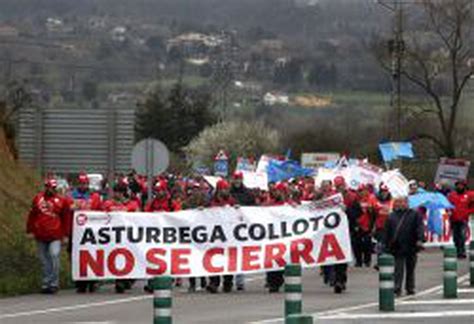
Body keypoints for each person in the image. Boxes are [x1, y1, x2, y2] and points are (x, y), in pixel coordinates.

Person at [27, 178, 71, 294]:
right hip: (40, 234)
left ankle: (54, 284)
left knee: (54, 255)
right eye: (48, 187)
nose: (50, 189)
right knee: (44, 260)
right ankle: (45, 283)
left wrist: (66, 235)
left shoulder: (62, 201)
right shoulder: (38, 198)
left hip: (55, 235)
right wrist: (29, 230)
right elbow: (32, 215)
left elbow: (66, 219)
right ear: (45, 187)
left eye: (52, 188)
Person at [102, 178, 140, 293]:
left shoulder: (132, 204)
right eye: (115, 192)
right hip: (113, 236)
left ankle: (128, 279)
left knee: (129, 258)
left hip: (128, 236)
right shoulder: (108, 204)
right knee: (117, 258)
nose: (115, 194)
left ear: (123, 192)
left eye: (118, 192)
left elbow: (140, 218)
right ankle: (120, 281)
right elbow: (101, 217)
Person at [384, 196, 425, 297]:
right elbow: (387, 232)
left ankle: (410, 287)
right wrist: (386, 245)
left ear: (407, 203)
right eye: (399, 202)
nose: (401, 204)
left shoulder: (415, 214)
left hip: (411, 245)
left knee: (410, 268)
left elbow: (420, 227)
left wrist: (420, 239)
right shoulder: (391, 216)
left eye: (403, 202)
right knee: (398, 269)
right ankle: (397, 288)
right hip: (397, 246)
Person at [70, 173, 102, 293]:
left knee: (92, 256)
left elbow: (100, 212)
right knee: (77, 257)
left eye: (85, 183)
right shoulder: (71, 196)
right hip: (76, 232)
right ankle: (80, 283)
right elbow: (66, 209)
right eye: (81, 183)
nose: (83, 185)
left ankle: (93, 282)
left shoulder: (94, 196)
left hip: (92, 233)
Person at [207, 179, 236, 293]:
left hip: (229, 236)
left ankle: (228, 282)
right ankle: (214, 282)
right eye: (222, 189)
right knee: (213, 259)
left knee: (228, 260)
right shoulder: (210, 202)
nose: (224, 191)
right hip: (215, 236)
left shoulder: (232, 202)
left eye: (225, 189)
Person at [230, 171, 255, 291]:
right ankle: (228, 280)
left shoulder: (248, 194)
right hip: (228, 227)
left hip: (242, 228)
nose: (237, 181)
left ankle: (240, 281)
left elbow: (254, 209)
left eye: (239, 179)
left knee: (240, 254)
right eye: (235, 179)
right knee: (230, 254)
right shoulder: (228, 193)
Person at [447, 181, 474, 259]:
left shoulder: (469, 195)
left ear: (464, 186)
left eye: (461, 185)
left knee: (462, 236)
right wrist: (449, 211)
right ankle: (458, 250)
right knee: (456, 237)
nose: (459, 187)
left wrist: (468, 212)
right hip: (454, 219)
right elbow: (448, 205)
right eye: (458, 185)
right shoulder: (452, 195)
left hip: (463, 219)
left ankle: (462, 252)